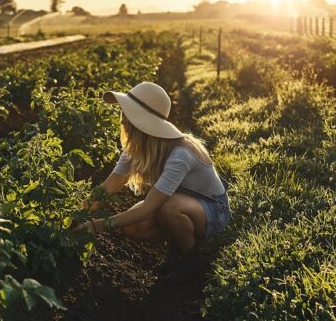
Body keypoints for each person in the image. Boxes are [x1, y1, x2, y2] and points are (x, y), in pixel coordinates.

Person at [75, 81, 231, 283]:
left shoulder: (180, 154)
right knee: (133, 226)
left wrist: (97, 226)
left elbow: (150, 206)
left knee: (167, 207)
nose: (122, 121)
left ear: (142, 121)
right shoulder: (135, 149)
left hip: (213, 209)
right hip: (180, 204)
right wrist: (77, 214)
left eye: (127, 115)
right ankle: (177, 245)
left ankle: (191, 258)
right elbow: (109, 185)